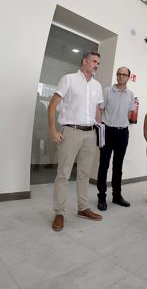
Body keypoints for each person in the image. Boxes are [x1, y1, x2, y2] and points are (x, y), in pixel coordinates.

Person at [48, 51, 104, 231]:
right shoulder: (69, 79)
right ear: (84, 61)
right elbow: (53, 104)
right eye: (94, 61)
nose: (96, 65)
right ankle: (59, 212)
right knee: (63, 173)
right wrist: (53, 130)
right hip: (71, 131)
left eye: (98, 63)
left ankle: (83, 208)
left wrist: (99, 129)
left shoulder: (97, 85)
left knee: (84, 173)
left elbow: (97, 109)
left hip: (90, 134)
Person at [97, 67, 134, 211]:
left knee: (118, 166)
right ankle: (101, 197)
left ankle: (117, 196)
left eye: (124, 75)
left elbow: (130, 114)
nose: (120, 77)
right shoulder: (107, 91)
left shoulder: (130, 94)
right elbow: (99, 110)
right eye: (119, 74)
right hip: (107, 130)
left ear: (128, 77)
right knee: (104, 165)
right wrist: (100, 128)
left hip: (123, 132)